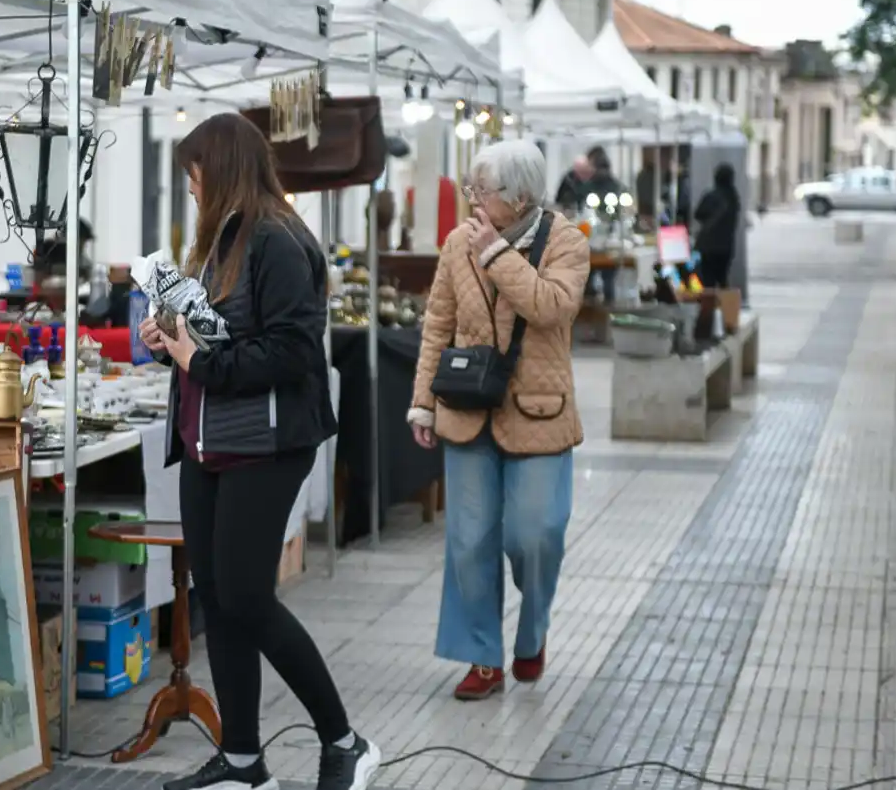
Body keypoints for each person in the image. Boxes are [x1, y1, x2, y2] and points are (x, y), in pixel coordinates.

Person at [138, 112, 379, 790]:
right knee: (216, 597)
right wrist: (171, 345)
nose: (188, 187)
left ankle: (345, 740)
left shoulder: (275, 240)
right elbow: (214, 339)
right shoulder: (221, 239)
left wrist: (201, 363)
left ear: (219, 169)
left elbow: (297, 349)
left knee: (245, 595)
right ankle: (243, 760)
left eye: (193, 173)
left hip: (265, 444)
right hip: (207, 443)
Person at [407, 140, 589, 701]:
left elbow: (552, 306)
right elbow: (438, 322)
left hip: (540, 411)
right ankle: (481, 656)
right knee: (468, 540)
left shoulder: (565, 242)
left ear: (520, 196)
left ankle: (531, 637)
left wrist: (495, 255)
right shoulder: (457, 243)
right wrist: (423, 402)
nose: (473, 201)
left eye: (481, 191)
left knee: (536, 535)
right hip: (465, 410)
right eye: (473, 188)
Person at [692, 163, 741, 289]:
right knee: (723, 278)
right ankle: (728, 307)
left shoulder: (711, 195)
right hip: (726, 246)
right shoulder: (733, 198)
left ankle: (709, 307)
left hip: (708, 246)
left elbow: (698, 214)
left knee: (708, 280)